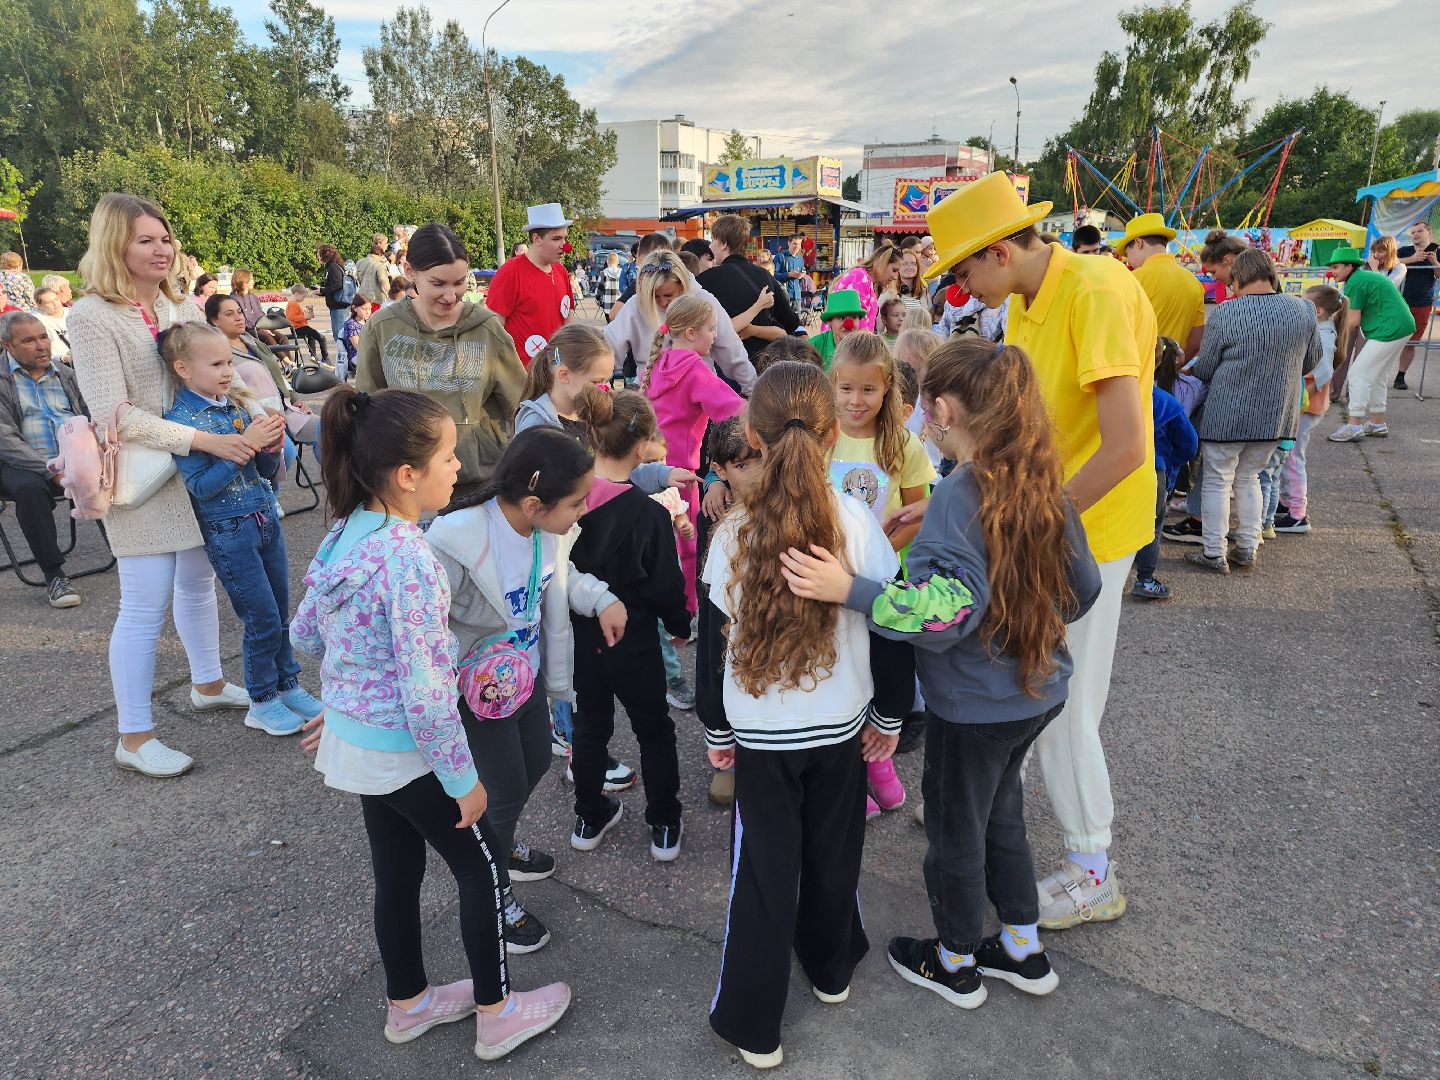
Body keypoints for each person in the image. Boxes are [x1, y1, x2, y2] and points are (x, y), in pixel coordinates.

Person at [780, 337, 1101, 1012]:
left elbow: (943, 613)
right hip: (1038, 690)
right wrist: (1018, 624)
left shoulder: (960, 493)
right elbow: (1083, 587)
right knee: (1002, 815)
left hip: (974, 706)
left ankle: (955, 960)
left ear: (944, 410)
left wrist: (849, 590)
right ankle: (1021, 946)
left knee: (957, 833)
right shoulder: (1035, 475)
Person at [292, 385, 571, 1060]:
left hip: (360, 745)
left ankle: (409, 1002)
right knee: (482, 871)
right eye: (447, 457)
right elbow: (424, 693)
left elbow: (307, 633)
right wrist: (462, 779)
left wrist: (348, 699)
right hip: (407, 749)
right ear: (407, 475)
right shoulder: (410, 557)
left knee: (397, 873)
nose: (459, 468)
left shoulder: (344, 532)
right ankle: (497, 1014)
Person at [913, 171, 1154, 929]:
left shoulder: (1095, 292)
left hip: (1083, 532)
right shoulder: (1024, 299)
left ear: (999, 250)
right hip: (1045, 521)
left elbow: (1126, 447)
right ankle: (982, 805)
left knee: (1061, 701)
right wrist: (953, 499)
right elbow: (1014, 432)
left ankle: (1092, 869)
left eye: (962, 269)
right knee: (1019, 679)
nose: (959, 287)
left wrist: (1025, 525)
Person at [702, 361, 906, 1069]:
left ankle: (754, 1024)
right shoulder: (856, 520)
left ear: (753, 437)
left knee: (764, 875)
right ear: (830, 435)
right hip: (842, 728)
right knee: (832, 851)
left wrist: (717, 730)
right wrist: (890, 714)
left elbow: (713, 643)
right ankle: (830, 968)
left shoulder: (733, 530)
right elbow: (890, 623)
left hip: (762, 737)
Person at [69, 193, 254, 778]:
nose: (161, 249)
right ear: (114, 245)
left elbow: (212, 375)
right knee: (143, 604)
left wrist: (258, 411)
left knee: (198, 584)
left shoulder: (178, 305)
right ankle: (134, 735)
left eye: (165, 238)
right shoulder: (91, 315)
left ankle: (208, 683)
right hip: (143, 479)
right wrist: (202, 440)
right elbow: (113, 414)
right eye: (145, 240)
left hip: (195, 471)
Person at [427, 427, 612, 955]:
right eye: (576, 502)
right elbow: (421, 624)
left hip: (522, 679)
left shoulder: (542, 529)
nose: (583, 510)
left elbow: (561, 576)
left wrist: (601, 599)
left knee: (535, 763)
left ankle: (498, 843)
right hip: (476, 694)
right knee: (504, 791)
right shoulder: (455, 542)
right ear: (534, 503)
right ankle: (493, 889)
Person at [160, 322, 321, 735]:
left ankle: (288, 685)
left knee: (280, 612)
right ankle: (261, 699)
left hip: (264, 517)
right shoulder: (183, 420)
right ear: (182, 368)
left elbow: (264, 471)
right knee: (261, 618)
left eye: (228, 362)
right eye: (216, 364)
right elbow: (202, 487)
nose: (227, 371)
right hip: (229, 530)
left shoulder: (235, 405)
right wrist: (247, 444)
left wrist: (270, 447)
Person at [567, 389, 691, 862]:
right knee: (653, 730)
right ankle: (664, 822)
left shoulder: (568, 500)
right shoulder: (648, 513)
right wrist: (680, 623)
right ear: (642, 448)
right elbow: (665, 585)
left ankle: (589, 814)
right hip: (635, 641)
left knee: (590, 727)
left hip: (582, 640)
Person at [356, 224, 526, 503]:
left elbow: (521, 403)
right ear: (409, 271)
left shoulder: (487, 329)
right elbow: (367, 406)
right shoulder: (382, 327)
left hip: (477, 487)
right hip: (407, 487)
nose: (450, 295)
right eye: (438, 284)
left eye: (459, 282)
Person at [1184, 249, 1318, 572]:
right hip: (1276, 414)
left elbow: (1207, 368)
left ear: (1239, 277)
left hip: (1227, 414)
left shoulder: (1226, 313)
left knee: (1218, 479)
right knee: (1250, 477)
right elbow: (1311, 361)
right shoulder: (1303, 310)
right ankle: (1247, 547)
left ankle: (1214, 552)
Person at [642, 294, 746, 611]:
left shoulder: (659, 364)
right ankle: (686, 612)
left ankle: (660, 609)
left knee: (657, 543)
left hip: (650, 469)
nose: (714, 335)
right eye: (711, 329)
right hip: (682, 476)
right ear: (691, 333)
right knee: (687, 547)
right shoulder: (695, 371)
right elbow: (736, 411)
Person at [0, 311, 87, 607]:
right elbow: (6, 440)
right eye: (28, 341)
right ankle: (54, 576)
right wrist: (51, 472)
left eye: (43, 337)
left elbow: (90, 415)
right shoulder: (3, 380)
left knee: (115, 469)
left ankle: (132, 552)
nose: (41, 346)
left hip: (73, 454)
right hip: (22, 463)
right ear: (7, 345)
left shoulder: (66, 374)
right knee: (29, 489)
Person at [605, 249, 756, 394]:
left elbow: (731, 351)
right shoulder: (635, 305)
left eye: (668, 295)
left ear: (683, 285)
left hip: (698, 394)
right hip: (650, 396)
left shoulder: (704, 301)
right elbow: (609, 349)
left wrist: (752, 391)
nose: (662, 302)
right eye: (655, 297)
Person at [1324, 246, 1415, 442]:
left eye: (1336, 267)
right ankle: (1377, 423)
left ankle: (1354, 425)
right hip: (1400, 325)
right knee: (1377, 375)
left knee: (1358, 373)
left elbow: (1353, 321)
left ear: (1349, 267)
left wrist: (1327, 327)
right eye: (1331, 267)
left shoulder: (1355, 282)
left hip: (1390, 328)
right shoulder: (1361, 277)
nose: (1332, 271)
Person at [1277, 285, 1346, 534]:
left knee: (1293, 457)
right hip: (1307, 403)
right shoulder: (1322, 330)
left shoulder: (1324, 336)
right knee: (1290, 455)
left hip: (1306, 405)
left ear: (1318, 311)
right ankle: (1287, 501)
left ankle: (1298, 513)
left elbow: (1324, 371)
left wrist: (1300, 397)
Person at [1133, 338, 1198, 600]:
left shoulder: (1111, 397)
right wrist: (1172, 463)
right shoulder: (1165, 402)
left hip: (1114, 470)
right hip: (1154, 471)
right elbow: (1189, 444)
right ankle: (1145, 580)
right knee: (1152, 525)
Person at [699, 215, 802, 360]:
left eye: (713, 240)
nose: (710, 246)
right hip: (763, 362)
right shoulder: (765, 276)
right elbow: (791, 323)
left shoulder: (706, 280)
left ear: (723, 244)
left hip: (723, 364)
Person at [486, 203, 576, 365]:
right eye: (557, 239)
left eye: (565, 238)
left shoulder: (561, 271)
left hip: (556, 369)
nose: (565, 246)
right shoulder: (510, 273)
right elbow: (494, 327)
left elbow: (567, 319)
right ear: (537, 239)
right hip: (521, 372)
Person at [1118, 213, 1206, 359]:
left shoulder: (1132, 279)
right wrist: (1173, 366)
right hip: (1171, 369)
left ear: (1139, 243)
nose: (1129, 261)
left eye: (1128, 253)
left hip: (1138, 367)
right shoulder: (1194, 282)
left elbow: (1118, 333)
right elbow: (1196, 341)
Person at [1395, 220, 1438, 390]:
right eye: (1413, 232)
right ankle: (1380, 373)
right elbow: (1389, 263)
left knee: (1411, 342)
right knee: (1390, 340)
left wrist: (1435, 262)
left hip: (1422, 303)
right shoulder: (1404, 251)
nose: (1415, 235)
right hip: (1399, 301)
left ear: (1429, 232)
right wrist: (1411, 259)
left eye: (1419, 231)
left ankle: (1400, 376)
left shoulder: (1437, 251)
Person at [829, 242, 902, 331]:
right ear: (882, 263)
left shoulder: (865, 279)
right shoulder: (860, 277)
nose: (895, 277)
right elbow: (858, 318)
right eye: (894, 270)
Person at [808, 289, 865, 368]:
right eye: (841, 318)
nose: (849, 324)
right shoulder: (813, 347)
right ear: (829, 321)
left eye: (854, 317)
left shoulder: (866, 348)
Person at [315, 243, 350, 349]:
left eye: (318, 254)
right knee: (340, 334)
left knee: (339, 336)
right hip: (337, 305)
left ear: (324, 255)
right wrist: (322, 291)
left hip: (338, 305)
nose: (317, 257)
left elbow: (338, 284)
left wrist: (322, 290)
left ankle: (343, 357)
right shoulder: (333, 266)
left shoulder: (333, 267)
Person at [285, 285, 328, 360]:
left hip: (299, 327)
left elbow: (296, 316)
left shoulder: (293, 303)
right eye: (303, 297)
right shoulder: (293, 304)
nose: (303, 299)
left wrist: (306, 315)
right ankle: (325, 358)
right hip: (299, 328)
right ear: (297, 294)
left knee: (312, 336)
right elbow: (291, 318)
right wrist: (304, 317)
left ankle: (313, 356)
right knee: (321, 337)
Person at [31, 286, 71, 360]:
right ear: (40, 306)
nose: (55, 304)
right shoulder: (38, 321)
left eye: (56, 299)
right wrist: (63, 358)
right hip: (61, 361)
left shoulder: (71, 312)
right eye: (49, 302)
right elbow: (42, 347)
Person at [355, 233, 393, 307]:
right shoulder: (380, 264)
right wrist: (391, 296)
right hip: (376, 299)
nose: (387, 245)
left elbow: (358, 279)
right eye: (385, 243)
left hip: (361, 297)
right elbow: (384, 281)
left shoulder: (360, 262)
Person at [339, 298, 371, 382]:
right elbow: (357, 346)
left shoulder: (368, 321)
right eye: (364, 309)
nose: (368, 312)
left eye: (369, 309)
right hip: (356, 355)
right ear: (355, 308)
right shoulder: (351, 324)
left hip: (369, 351)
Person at [227, 268, 265, 337]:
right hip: (248, 330)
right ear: (243, 281)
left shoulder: (254, 297)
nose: (253, 282)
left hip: (260, 327)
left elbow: (261, 314)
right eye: (251, 279)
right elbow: (240, 320)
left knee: (283, 338)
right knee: (269, 339)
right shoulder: (233, 299)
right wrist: (259, 328)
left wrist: (266, 326)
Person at [776, 235, 807, 308]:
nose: (797, 246)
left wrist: (801, 275)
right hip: (784, 296)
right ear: (788, 243)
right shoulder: (780, 256)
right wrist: (788, 274)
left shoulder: (800, 258)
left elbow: (803, 272)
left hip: (797, 296)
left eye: (799, 244)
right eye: (794, 243)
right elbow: (773, 275)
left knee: (797, 315)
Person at [895, 249, 928, 316]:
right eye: (905, 264)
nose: (909, 267)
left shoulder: (923, 290)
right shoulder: (891, 292)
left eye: (913, 263)